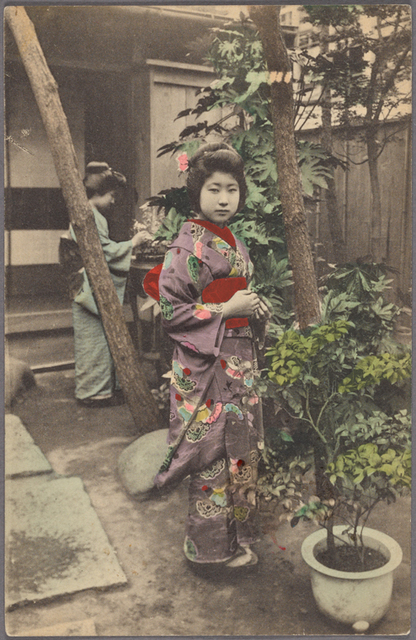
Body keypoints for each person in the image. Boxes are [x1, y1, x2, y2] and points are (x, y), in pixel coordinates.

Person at [149, 142, 270, 567]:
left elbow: (239, 298)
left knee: (241, 446)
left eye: (232, 189)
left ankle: (239, 537)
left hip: (237, 357)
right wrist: (225, 309)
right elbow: (171, 312)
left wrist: (254, 310)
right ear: (196, 191)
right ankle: (210, 551)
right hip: (207, 364)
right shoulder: (186, 248)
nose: (224, 199)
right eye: (214, 188)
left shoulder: (233, 240)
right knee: (213, 451)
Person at [69, 161, 151, 407]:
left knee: (102, 340)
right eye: (112, 196)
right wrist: (133, 243)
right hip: (86, 289)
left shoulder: (93, 215)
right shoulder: (87, 215)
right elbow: (101, 251)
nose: (114, 201)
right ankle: (94, 392)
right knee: (93, 342)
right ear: (97, 193)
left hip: (89, 286)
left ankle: (103, 388)